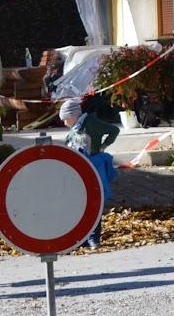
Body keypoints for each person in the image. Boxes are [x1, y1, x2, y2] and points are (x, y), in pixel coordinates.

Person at [59, 97, 119, 249]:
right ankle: (82, 237)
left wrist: (103, 146)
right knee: (79, 203)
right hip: (78, 169)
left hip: (94, 166)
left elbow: (114, 130)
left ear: (73, 116)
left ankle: (94, 238)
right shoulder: (72, 131)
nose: (64, 123)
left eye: (65, 119)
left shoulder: (91, 123)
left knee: (94, 201)